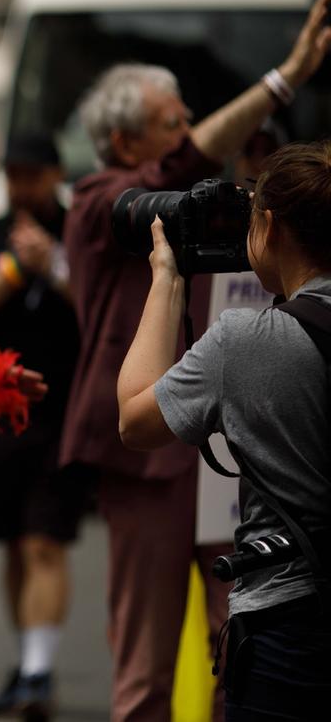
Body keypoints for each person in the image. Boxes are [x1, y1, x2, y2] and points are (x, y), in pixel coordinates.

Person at [62, 0, 331, 722]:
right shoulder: (102, 205)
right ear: (124, 144)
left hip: (235, 450)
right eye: (170, 126)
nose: (190, 137)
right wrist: (284, 77)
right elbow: (185, 162)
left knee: (236, 638)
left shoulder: (222, 214)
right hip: (150, 462)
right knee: (145, 661)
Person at [116, 142, 331, 716]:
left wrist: (167, 276)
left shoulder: (247, 341)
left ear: (267, 226)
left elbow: (135, 419)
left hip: (289, 626)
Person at [0, 135, 87, 719]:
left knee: (44, 541)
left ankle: (36, 671)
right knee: (13, 544)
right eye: (16, 174)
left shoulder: (83, 232)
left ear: (55, 173)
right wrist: (12, 268)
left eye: (35, 174)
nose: (24, 186)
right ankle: (29, 662)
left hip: (60, 413)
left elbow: (104, 305)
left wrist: (53, 265)